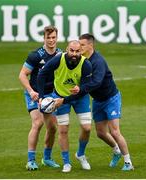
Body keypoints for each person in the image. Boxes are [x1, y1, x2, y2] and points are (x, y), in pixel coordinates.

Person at [55, 34, 134, 171]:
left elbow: (96, 82)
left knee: (114, 131)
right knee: (100, 133)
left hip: (111, 99)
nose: (79, 47)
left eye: (82, 45)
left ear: (90, 46)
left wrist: (79, 89)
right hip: (98, 101)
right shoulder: (82, 60)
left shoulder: (98, 61)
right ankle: (116, 151)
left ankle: (128, 163)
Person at [37, 40, 93, 173]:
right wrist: (40, 96)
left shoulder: (86, 64)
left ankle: (80, 154)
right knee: (63, 130)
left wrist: (79, 88)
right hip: (59, 96)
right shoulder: (58, 59)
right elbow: (41, 75)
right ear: (67, 49)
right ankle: (66, 163)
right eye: (72, 50)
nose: (74, 53)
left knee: (87, 128)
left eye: (77, 51)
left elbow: (86, 87)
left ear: (81, 51)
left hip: (80, 98)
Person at [19, 25, 60, 170]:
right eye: (48, 37)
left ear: (57, 37)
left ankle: (47, 158)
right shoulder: (36, 55)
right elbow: (22, 74)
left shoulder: (60, 55)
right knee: (37, 123)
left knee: (53, 128)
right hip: (35, 93)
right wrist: (31, 91)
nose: (51, 40)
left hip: (49, 95)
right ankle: (30, 160)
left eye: (53, 37)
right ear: (44, 38)